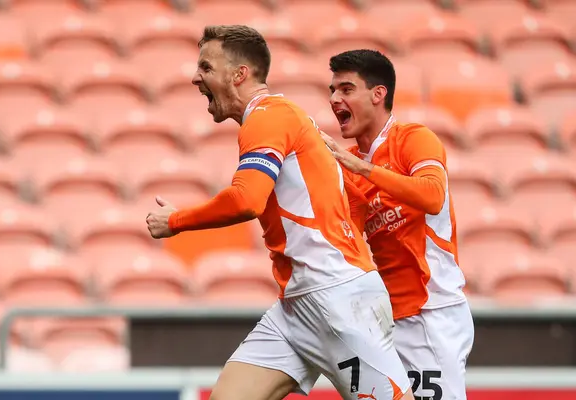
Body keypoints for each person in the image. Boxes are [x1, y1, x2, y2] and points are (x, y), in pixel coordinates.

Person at [146, 26, 414, 400]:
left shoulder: (268, 118)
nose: (195, 77)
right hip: (297, 306)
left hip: (335, 299)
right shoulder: (287, 118)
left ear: (239, 74)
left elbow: (247, 199)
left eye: (206, 66)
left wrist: (176, 221)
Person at [321, 49, 474, 400]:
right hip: (387, 318)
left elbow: (433, 195)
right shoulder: (348, 165)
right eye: (332, 90)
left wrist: (361, 169)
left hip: (431, 311)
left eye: (346, 89)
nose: (334, 99)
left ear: (378, 94)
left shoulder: (412, 139)